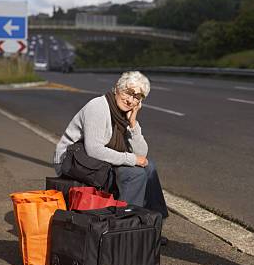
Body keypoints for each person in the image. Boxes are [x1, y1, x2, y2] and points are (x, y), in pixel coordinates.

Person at [54, 71, 169, 221]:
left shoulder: (125, 115)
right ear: (117, 88)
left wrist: (133, 123)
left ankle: (153, 224)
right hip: (72, 161)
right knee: (135, 175)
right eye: (128, 92)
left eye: (136, 97)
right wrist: (132, 159)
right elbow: (94, 150)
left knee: (150, 167)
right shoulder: (98, 107)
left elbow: (142, 154)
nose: (130, 100)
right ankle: (125, 227)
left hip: (95, 162)